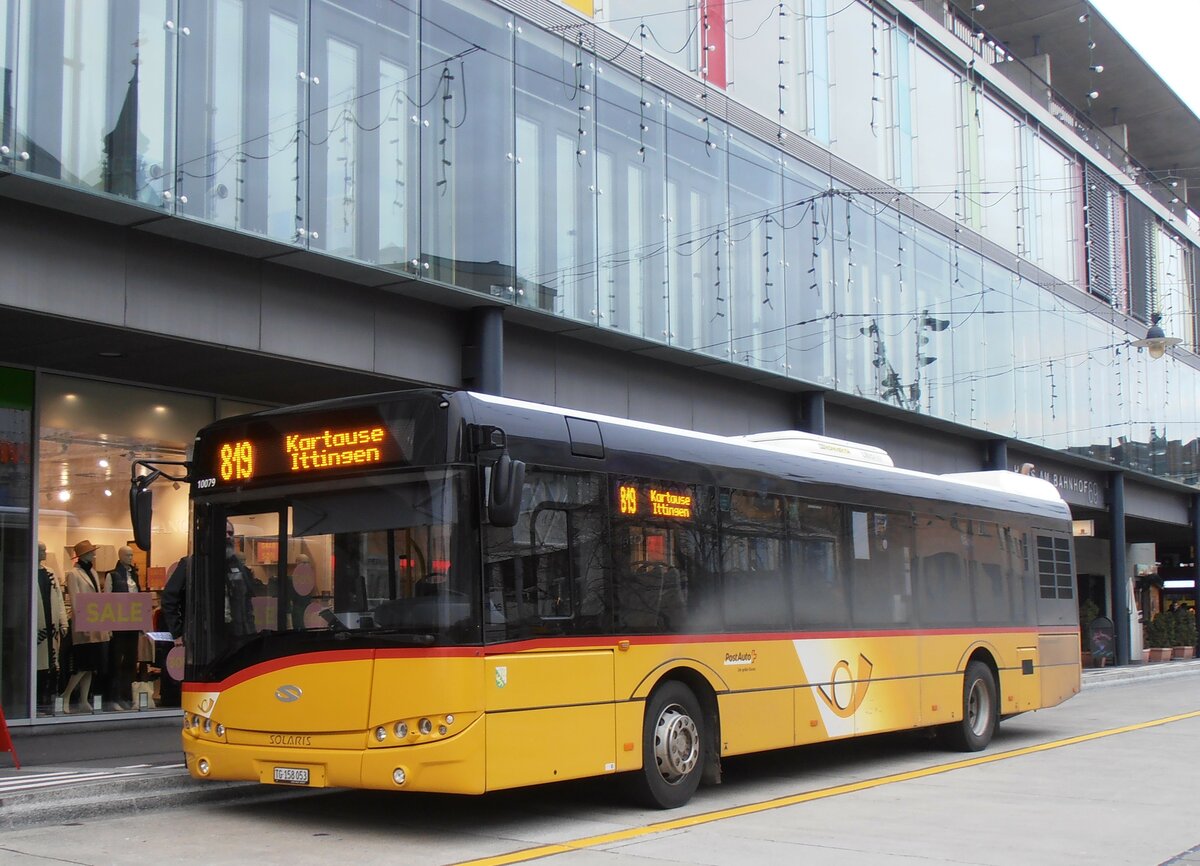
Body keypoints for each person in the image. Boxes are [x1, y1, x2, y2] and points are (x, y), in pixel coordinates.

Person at [61, 540, 112, 713]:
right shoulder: (74, 575)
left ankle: (83, 699)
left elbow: (98, 598)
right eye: (90, 552)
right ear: (82, 555)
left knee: (92, 665)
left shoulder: (92, 572)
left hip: (96, 622)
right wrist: (81, 621)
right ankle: (66, 695)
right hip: (84, 624)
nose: (93, 555)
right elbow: (75, 599)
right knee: (82, 664)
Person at [35, 542, 68, 713]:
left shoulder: (50, 573)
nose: (44, 553)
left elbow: (59, 599)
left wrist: (63, 621)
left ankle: (46, 699)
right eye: (41, 550)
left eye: (44, 550)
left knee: (51, 663)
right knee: (36, 663)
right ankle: (35, 701)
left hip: (51, 625)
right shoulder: (27, 572)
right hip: (36, 626)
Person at [106, 546, 141, 709]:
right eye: (127, 554)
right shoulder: (112, 575)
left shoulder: (134, 575)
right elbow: (106, 601)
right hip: (118, 623)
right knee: (116, 660)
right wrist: (108, 626)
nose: (131, 557)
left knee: (131, 660)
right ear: (120, 556)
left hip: (133, 623)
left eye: (132, 554)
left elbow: (139, 599)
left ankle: (128, 695)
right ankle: (115, 696)